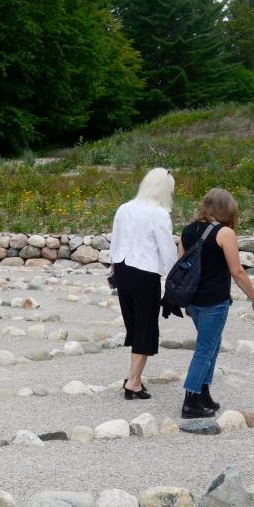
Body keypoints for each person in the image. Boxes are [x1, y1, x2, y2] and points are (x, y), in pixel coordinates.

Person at [178, 188, 254, 418]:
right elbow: (237, 271)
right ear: (228, 209)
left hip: (194, 301)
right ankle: (190, 401)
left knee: (212, 346)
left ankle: (203, 393)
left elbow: (181, 265)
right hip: (214, 301)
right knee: (205, 349)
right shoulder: (225, 233)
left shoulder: (187, 230)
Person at [109, 167, 178, 400]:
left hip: (122, 269)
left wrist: (114, 270)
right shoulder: (159, 214)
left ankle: (132, 377)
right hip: (145, 272)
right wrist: (175, 277)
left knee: (135, 326)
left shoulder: (124, 208)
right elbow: (167, 249)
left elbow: (115, 241)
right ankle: (133, 382)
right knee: (146, 326)